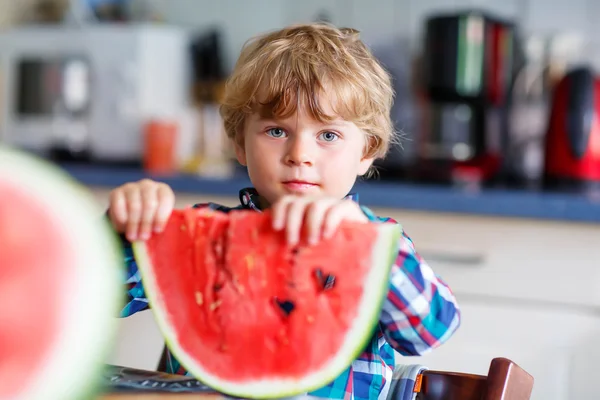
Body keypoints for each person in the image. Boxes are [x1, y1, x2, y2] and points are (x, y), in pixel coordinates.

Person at [106, 23, 461, 400]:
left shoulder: (380, 241)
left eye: (328, 135)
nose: (299, 155)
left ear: (366, 152)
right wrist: (125, 227)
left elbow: (431, 331)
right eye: (276, 131)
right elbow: (103, 297)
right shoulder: (205, 238)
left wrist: (372, 248)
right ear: (240, 144)